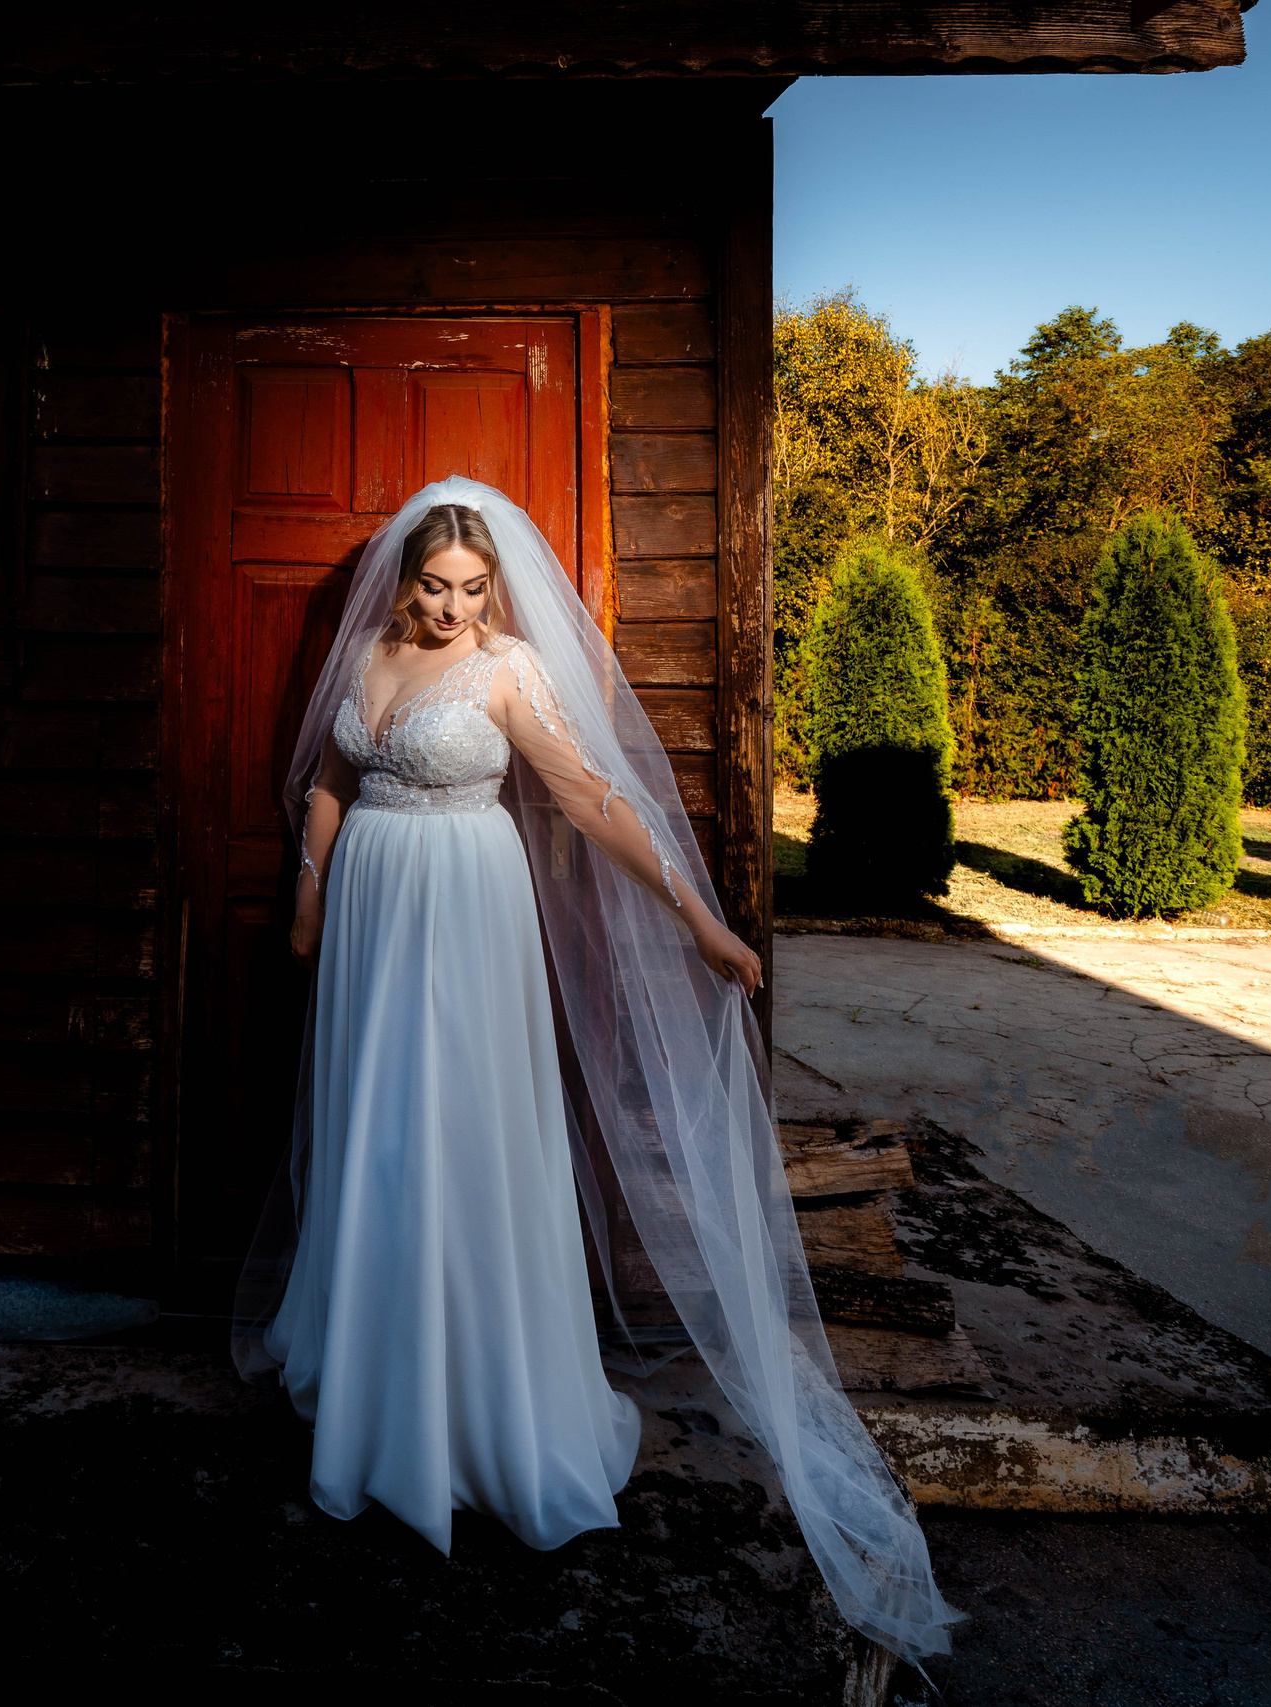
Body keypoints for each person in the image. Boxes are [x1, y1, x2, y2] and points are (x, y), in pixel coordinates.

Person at [235, 477, 959, 1662]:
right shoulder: (365, 654)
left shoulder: (508, 671)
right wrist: (311, 895)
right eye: (436, 586)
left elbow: (593, 801)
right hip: (370, 913)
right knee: (379, 1134)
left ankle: (477, 1404)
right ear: (404, 579)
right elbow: (328, 783)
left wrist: (700, 922)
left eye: (473, 589)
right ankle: (372, 1371)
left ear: (493, 590)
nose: (453, 609)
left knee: (460, 1141)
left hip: (462, 917)